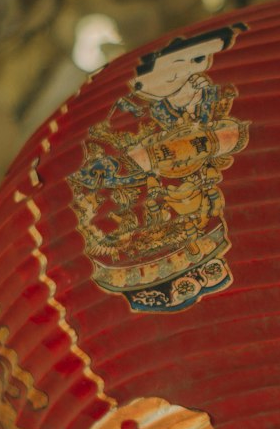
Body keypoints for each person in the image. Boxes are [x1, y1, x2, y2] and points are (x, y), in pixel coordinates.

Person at [70, 23, 249, 312]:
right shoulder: (123, 115)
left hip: (189, 219)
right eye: (182, 62)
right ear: (142, 75)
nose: (190, 71)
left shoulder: (193, 100)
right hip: (135, 227)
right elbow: (107, 169)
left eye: (199, 61)